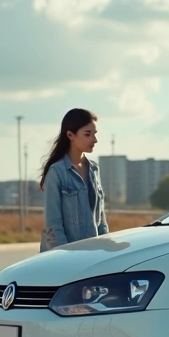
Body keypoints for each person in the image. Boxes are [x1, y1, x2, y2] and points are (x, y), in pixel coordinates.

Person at [38, 108, 108, 252]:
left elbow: (101, 221)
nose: (94, 140)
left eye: (94, 134)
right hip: (64, 258)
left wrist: (106, 249)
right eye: (87, 134)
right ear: (70, 135)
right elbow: (53, 224)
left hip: (92, 255)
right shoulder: (57, 172)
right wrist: (65, 257)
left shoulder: (94, 170)